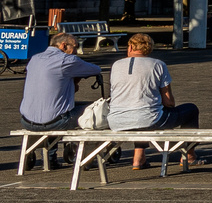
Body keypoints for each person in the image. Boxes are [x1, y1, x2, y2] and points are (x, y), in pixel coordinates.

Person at [110, 33, 199, 169]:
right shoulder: (157, 64)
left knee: (139, 115)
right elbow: (168, 101)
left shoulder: (116, 65)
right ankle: (189, 155)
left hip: (116, 120)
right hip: (148, 119)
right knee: (191, 110)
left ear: (131, 46)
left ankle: (138, 158)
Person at [20, 31, 103, 168]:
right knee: (94, 112)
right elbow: (95, 69)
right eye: (74, 47)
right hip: (55, 121)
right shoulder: (67, 60)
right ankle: (85, 158)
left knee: (56, 108)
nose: (76, 51)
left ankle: (50, 158)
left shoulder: (34, 59)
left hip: (27, 120)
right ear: (64, 45)